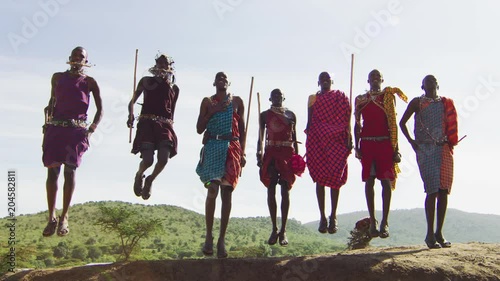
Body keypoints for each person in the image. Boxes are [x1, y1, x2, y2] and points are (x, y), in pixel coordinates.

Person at [42, 46, 103, 237]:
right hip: (56, 129)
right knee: (53, 172)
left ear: (86, 61)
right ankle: (51, 217)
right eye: (75, 55)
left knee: (70, 171)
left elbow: (100, 110)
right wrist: (47, 121)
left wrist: (91, 130)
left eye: (81, 56)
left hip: (77, 131)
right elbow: (52, 102)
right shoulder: (58, 77)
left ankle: (64, 217)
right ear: (69, 58)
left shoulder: (90, 82)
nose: (78, 58)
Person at [399, 75, 458, 249]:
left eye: (433, 80)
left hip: (444, 149)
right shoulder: (417, 102)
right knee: (431, 190)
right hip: (426, 150)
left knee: (444, 190)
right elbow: (402, 123)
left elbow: (451, 125)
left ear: (438, 84)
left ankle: (439, 232)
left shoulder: (444, 103)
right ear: (422, 85)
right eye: (427, 81)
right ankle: (429, 234)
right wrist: (412, 141)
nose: (431, 83)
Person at [196, 72, 246, 258]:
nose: (222, 79)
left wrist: (243, 152)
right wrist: (212, 112)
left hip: (232, 147)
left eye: (225, 77)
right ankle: (209, 236)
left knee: (227, 193)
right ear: (214, 82)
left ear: (228, 82)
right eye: (218, 77)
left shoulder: (237, 102)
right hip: (213, 147)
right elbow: (199, 128)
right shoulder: (208, 102)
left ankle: (221, 240)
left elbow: (242, 129)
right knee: (212, 190)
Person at [354, 69, 407, 238]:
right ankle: (373, 221)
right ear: (368, 80)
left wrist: (396, 149)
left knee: (385, 181)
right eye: (372, 77)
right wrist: (356, 146)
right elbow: (357, 124)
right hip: (367, 143)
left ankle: (385, 221)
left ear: (382, 80)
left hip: (385, 143)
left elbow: (393, 123)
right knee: (369, 182)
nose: (375, 80)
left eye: (378, 77)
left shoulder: (388, 97)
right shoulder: (361, 99)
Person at [127, 53, 179, 200]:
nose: (162, 66)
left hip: (165, 125)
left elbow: (172, 112)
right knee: (148, 160)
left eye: (165, 64)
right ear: (155, 65)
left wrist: (171, 128)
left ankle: (150, 180)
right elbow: (132, 102)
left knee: (163, 158)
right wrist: (130, 115)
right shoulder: (146, 81)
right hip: (147, 123)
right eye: (160, 63)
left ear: (170, 67)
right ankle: (139, 174)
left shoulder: (174, 88)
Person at [306, 72, 352, 234]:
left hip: (337, 141)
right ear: (318, 82)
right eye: (322, 80)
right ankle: (322, 216)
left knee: (336, 178)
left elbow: (347, 120)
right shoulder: (313, 98)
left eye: (328, 80)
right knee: (319, 178)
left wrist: (349, 137)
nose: (325, 82)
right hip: (317, 140)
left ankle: (333, 215)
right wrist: (309, 142)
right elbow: (309, 122)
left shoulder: (341, 97)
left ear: (332, 81)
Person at [257, 89, 299, 246]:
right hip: (271, 153)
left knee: (285, 189)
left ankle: (284, 230)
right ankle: (274, 229)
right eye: (274, 95)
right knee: (271, 188)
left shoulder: (291, 115)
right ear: (269, 98)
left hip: (287, 153)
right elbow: (260, 136)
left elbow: (294, 138)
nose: (276, 98)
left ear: (283, 97)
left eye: (279, 95)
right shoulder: (264, 115)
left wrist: (297, 157)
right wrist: (258, 153)